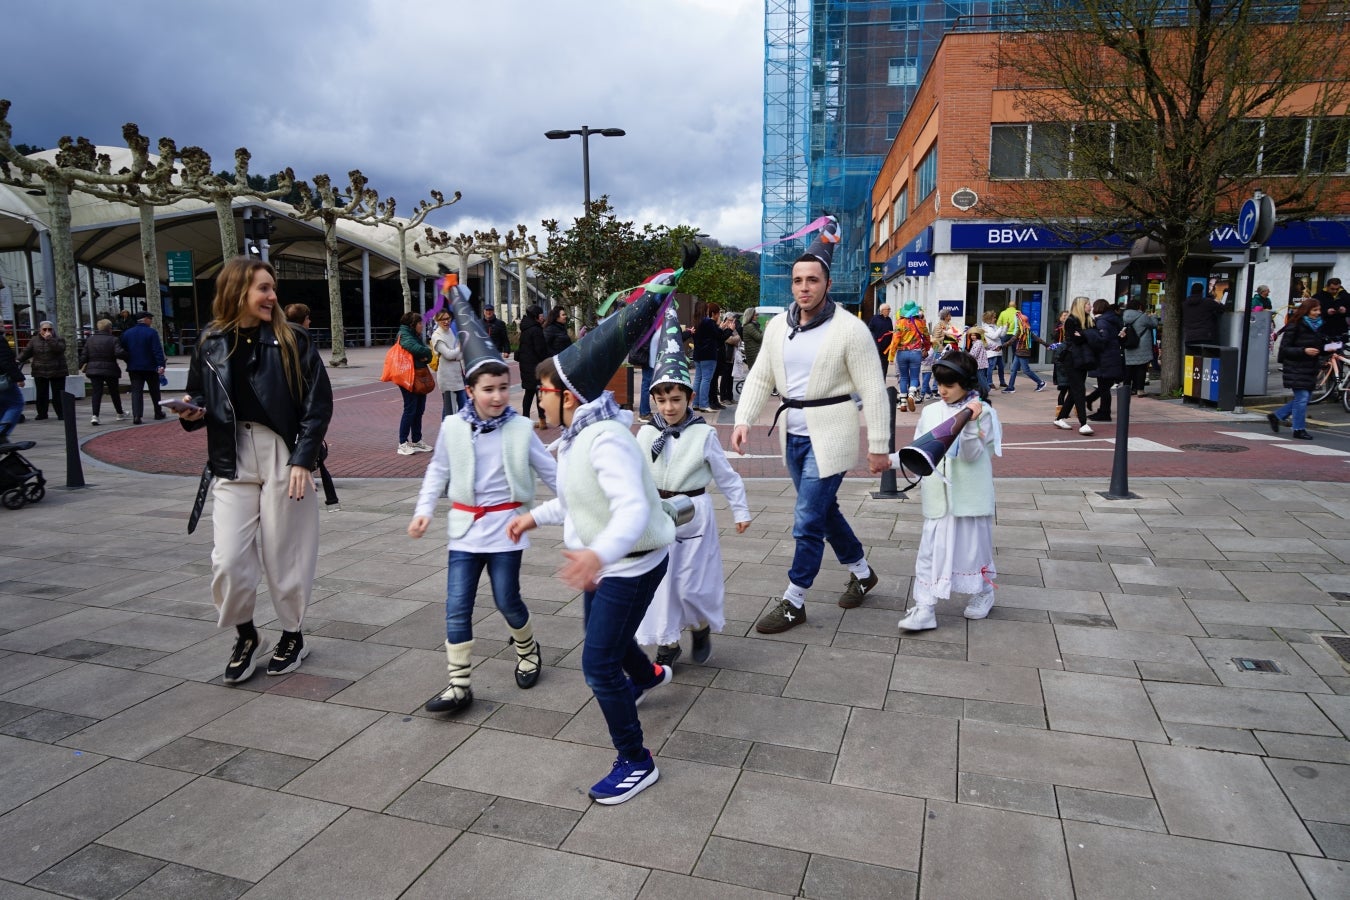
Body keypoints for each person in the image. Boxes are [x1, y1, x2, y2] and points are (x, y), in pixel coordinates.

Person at [506, 274, 680, 806]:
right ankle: (649, 675)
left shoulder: (605, 439)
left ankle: (636, 760)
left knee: (597, 664)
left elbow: (628, 509)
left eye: (546, 391)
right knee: (608, 640)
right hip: (606, 562)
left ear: (568, 395)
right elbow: (580, 501)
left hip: (629, 562)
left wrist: (595, 556)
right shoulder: (578, 438)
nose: (539, 400)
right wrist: (533, 518)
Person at [174, 256, 333, 683]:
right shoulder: (209, 342)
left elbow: (318, 405)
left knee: (287, 551)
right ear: (237, 291)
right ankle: (246, 634)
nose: (272, 295)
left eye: (272, 287)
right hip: (230, 454)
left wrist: (304, 458)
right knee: (227, 558)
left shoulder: (291, 339)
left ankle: (292, 635)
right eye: (263, 288)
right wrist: (192, 413)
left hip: (282, 450)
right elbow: (200, 397)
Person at [731, 217, 890, 633]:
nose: (804, 287)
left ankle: (793, 600)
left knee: (806, 517)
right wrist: (744, 418)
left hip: (832, 435)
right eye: (798, 280)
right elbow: (761, 376)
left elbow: (873, 390)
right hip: (794, 436)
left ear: (827, 284)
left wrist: (879, 445)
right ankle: (862, 571)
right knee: (823, 512)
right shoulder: (776, 326)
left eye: (812, 280)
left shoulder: (850, 330)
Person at [409, 289, 557, 714]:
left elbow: (551, 474)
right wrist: (423, 512)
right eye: (488, 389)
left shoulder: (520, 430)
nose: (497, 396)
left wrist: (583, 503)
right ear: (470, 389)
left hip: (507, 529)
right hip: (464, 530)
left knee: (508, 599)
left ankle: (527, 649)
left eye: (503, 388)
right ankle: (458, 685)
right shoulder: (454, 427)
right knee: (457, 606)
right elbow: (437, 472)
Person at [634, 306, 751, 667]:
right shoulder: (647, 432)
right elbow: (632, 472)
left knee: (690, 584)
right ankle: (668, 643)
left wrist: (741, 509)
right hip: (656, 515)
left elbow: (726, 475)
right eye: (662, 400)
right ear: (654, 399)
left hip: (693, 516)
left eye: (677, 399)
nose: (669, 407)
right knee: (660, 583)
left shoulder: (703, 434)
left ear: (688, 397)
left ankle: (699, 625)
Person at [894, 351, 1001, 632]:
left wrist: (970, 422)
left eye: (949, 385)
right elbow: (922, 447)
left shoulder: (984, 413)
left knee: (973, 550)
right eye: (940, 384)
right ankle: (925, 607)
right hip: (939, 497)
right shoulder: (931, 411)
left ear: (966, 383)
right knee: (931, 551)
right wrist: (893, 461)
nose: (941, 390)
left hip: (969, 498)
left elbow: (970, 455)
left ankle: (983, 592)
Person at [1267, 298, 1326, 441]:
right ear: (1306, 311)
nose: (1318, 313)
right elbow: (1285, 349)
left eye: (1319, 310)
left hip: (1311, 367)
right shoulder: (1295, 325)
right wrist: (1304, 350)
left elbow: (1320, 347)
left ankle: (1276, 416)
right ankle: (1298, 429)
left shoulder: (1319, 326)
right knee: (1303, 397)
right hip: (1295, 366)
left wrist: (1330, 348)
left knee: (1303, 398)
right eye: (1314, 310)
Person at [1054, 296, 1102, 435]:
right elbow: (1076, 340)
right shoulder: (1071, 320)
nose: (1090, 306)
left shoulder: (1089, 320)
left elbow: (1096, 338)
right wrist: (1087, 335)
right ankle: (1083, 423)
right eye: (1088, 304)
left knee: (1075, 389)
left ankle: (1060, 417)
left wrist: (1083, 335)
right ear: (1081, 305)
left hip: (1084, 358)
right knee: (1079, 389)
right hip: (1072, 359)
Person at [395, 311, 433, 455]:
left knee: (419, 409)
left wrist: (426, 355)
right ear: (412, 324)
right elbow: (419, 350)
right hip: (408, 377)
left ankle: (417, 440)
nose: (422, 326)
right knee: (410, 409)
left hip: (417, 377)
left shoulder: (414, 336)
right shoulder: (404, 335)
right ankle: (402, 442)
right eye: (419, 323)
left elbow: (426, 355)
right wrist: (426, 353)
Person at [121, 310, 166, 424]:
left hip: (134, 367)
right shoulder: (151, 333)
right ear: (145, 320)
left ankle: (137, 415)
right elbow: (157, 350)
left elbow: (123, 350)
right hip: (150, 367)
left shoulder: (127, 333)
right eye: (150, 319)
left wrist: (129, 361)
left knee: (136, 392)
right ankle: (158, 412)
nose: (151, 321)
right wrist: (161, 364)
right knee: (154, 391)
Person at [1084, 298, 1126, 422]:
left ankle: (1104, 412)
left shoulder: (1102, 322)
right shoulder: (1111, 320)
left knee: (1104, 386)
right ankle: (1097, 405)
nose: (1091, 308)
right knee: (1105, 386)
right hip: (1111, 356)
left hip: (1104, 357)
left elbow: (1103, 339)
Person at [80, 318, 128, 425]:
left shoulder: (90, 340)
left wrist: (81, 365)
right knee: (114, 392)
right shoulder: (113, 339)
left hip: (94, 370)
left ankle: (95, 415)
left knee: (96, 392)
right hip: (110, 370)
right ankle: (119, 413)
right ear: (109, 329)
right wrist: (128, 356)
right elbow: (119, 353)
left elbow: (84, 355)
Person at [17, 321, 68, 421]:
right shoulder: (34, 340)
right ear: (40, 330)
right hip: (40, 371)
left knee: (58, 394)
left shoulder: (59, 339)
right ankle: (42, 413)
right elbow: (26, 352)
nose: (47, 331)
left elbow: (60, 349)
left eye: (49, 329)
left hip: (57, 371)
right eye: (44, 329)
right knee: (41, 394)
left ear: (53, 330)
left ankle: (61, 413)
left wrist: (50, 340)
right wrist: (18, 360)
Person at [887, 301, 928, 409]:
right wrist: (927, 349)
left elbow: (895, 340)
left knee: (903, 377)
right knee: (914, 376)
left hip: (902, 353)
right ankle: (911, 393)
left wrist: (891, 356)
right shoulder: (921, 323)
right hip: (916, 353)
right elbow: (927, 337)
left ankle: (903, 403)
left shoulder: (899, 323)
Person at [516, 305, 549, 430]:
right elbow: (540, 350)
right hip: (535, 367)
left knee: (528, 393)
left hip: (525, 365)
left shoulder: (525, 328)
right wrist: (547, 361)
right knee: (539, 392)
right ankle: (542, 420)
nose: (543, 318)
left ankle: (525, 419)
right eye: (541, 316)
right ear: (536, 317)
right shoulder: (536, 330)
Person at [429, 307, 466, 421]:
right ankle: (446, 434)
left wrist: (458, 352)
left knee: (463, 407)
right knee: (449, 411)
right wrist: (460, 349)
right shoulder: (437, 336)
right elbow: (448, 354)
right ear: (437, 321)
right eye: (442, 319)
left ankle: (459, 432)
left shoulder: (450, 331)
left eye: (448, 318)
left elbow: (457, 354)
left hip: (458, 377)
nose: (446, 321)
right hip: (447, 378)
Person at [1003, 307, 1048, 393]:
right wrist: (1046, 345)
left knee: (1026, 370)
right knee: (1013, 370)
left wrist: (1002, 346)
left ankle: (1040, 382)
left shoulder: (1023, 331)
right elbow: (1037, 338)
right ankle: (1011, 387)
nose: (1016, 322)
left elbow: (1012, 340)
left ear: (1021, 322)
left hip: (1023, 354)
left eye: (1017, 321)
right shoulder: (1025, 330)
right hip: (1018, 353)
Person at [1122, 298, 1157, 398]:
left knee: (1129, 368)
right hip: (1141, 346)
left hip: (1130, 345)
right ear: (1139, 307)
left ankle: (1127, 389)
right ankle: (1139, 390)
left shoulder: (1125, 316)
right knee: (1141, 367)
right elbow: (1154, 325)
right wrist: (1154, 316)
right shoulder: (1142, 316)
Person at [691, 302, 722, 412]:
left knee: (698, 379)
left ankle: (695, 403)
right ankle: (704, 404)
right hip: (708, 354)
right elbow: (718, 335)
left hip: (698, 354)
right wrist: (718, 324)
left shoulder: (696, 321)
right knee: (706, 379)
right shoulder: (708, 322)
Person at [1182, 282, 1224, 352]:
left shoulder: (1184, 304)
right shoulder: (1208, 302)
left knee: (1191, 360)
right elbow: (1221, 309)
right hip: (1205, 337)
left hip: (1190, 337)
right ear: (1202, 292)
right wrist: (1218, 302)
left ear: (1191, 291)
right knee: (1206, 360)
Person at [0, 333, 25, 442]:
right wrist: (18, 377)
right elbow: (5, 361)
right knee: (16, 403)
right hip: (3, 381)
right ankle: (1, 433)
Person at [715, 311, 740, 406]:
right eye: (730, 320)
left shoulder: (732, 329)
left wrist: (735, 338)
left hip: (732, 356)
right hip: (725, 356)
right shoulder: (723, 328)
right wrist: (734, 338)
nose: (732, 322)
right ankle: (723, 397)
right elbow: (730, 339)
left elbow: (738, 338)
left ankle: (730, 396)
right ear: (725, 320)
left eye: (733, 320)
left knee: (730, 377)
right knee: (725, 377)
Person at [982, 310, 1008, 389]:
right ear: (989, 319)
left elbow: (1002, 335)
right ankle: (989, 383)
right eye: (993, 318)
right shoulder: (985, 328)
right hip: (991, 351)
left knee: (1001, 367)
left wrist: (1005, 327)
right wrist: (1000, 327)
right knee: (991, 367)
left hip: (998, 349)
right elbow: (994, 336)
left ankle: (1002, 382)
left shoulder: (994, 326)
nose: (995, 319)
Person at [868, 303, 893, 378]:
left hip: (886, 348)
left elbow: (890, 331)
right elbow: (869, 330)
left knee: (885, 366)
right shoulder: (875, 319)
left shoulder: (889, 320)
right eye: (888, 309)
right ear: (882, 311)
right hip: (877, 347)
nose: (889, 311)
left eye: (889, 309)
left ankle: (883, 381)